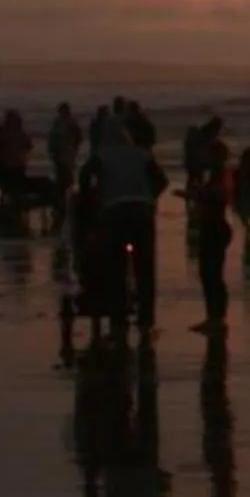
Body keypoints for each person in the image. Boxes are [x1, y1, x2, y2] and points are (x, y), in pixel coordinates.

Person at [90, 110, 167, 336]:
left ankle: (119, 312)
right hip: (142, 210)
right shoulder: (142, 154)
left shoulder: (102, 154)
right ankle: (146, 315)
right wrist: (150, 198)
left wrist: (96, 199)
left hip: (115, 211)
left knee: (116, 266)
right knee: (145, 266)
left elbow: (86, 176)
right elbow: (161, 180)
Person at [192, 142, 234, 333]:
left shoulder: (220, 174)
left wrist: (198, 193)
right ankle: (214, 317)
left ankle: (216, 318)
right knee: (211, 274)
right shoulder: (219, 174)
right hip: (214, 226)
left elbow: (215, 197)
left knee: (211, 274)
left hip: (214, 227)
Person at [48, 101, 83, 194]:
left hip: (67, 152)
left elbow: (79, 136)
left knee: (67, 174)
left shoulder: (71, 122)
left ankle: (68, 194)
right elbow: (52, 137)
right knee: (60, 175)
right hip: (58, 153)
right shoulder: (57, 121)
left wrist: (74, 147)